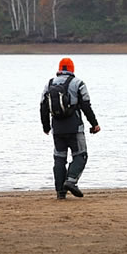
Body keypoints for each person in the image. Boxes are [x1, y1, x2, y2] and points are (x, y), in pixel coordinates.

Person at [40, 57, 100, 200]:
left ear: (59, 69)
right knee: (81, 155)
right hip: (75, 128)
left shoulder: (49, 84)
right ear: (72, 69)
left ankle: (60, 192)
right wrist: (94, 124)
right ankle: (71, 181)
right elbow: (86, 105)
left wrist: (46, 127)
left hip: (57, 129)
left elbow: (43, 107)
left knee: (59, 159)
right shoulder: (78, 83)